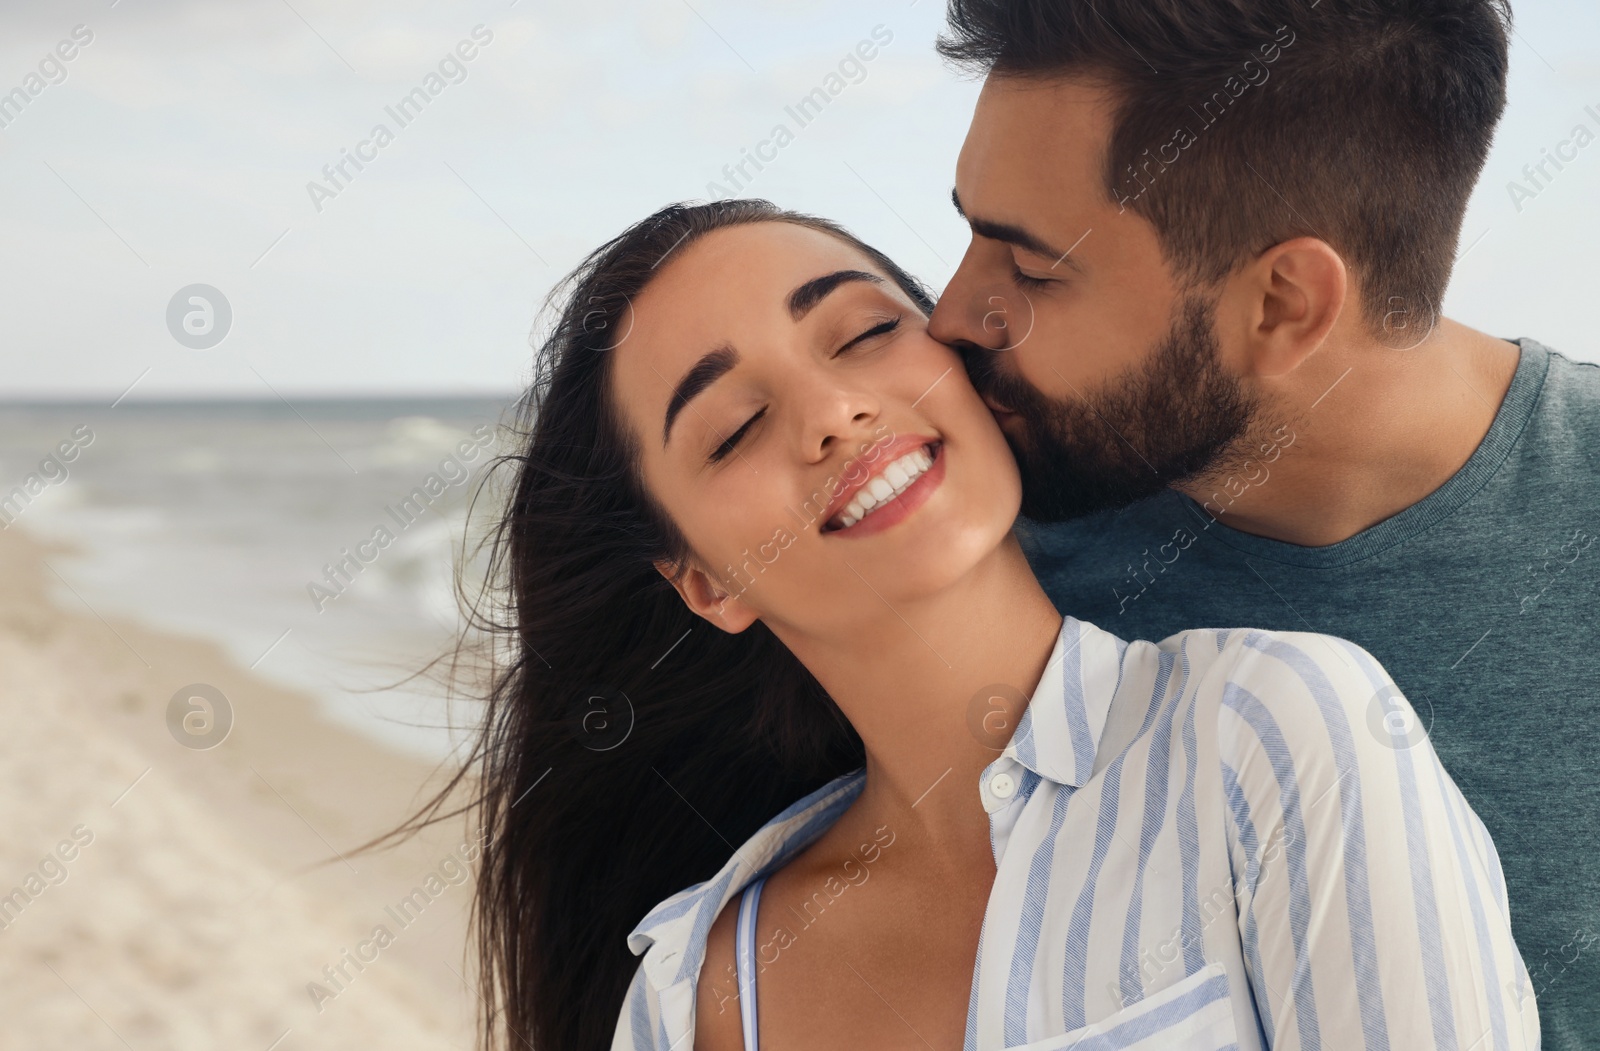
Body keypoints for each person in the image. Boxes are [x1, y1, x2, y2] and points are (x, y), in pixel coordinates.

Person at [418, 198, 1533, 1051]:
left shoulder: (1273, 728)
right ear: (706, 582)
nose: (834, 411)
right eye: (738, 424)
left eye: (860, 333)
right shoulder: (699, 984)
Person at [923, 0, 1598, 1045]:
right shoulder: (980, 562)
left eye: (1031, 269)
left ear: (1284, 303)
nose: (951, 315)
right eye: (966, 234)